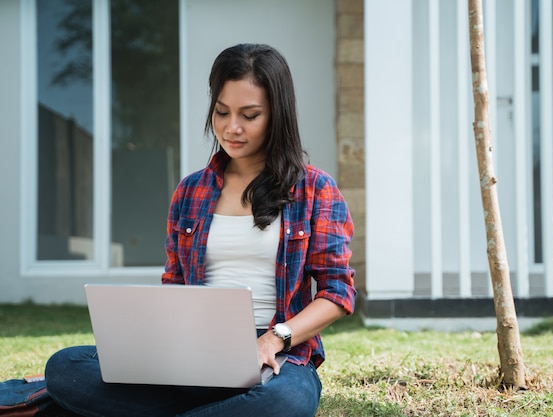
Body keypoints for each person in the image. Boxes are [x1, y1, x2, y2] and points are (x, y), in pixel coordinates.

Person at [44, 43, 356, 417]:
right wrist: (152, 345)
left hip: (277, 354)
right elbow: (174, 284)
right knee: (66, 367)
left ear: (277, 116)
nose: (231, 127)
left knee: (285, 401)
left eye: (250, 115)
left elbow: (338, 292)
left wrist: (276, 338)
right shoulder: (191, 191)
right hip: (194, 349)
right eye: (222, 112)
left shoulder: (315, 189)